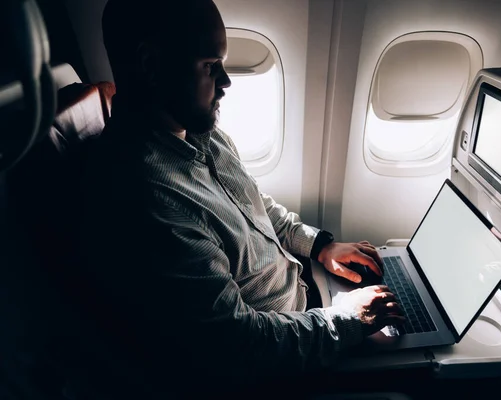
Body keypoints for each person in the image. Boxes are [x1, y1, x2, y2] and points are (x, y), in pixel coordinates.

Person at [80, 0, 404, 395]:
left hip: (309, 305)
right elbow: (239, 345)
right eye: (209, 66)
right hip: (286, 355)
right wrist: (349, 320)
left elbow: (253, 204)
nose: (226, 82)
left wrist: (320, 246)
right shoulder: (149, 199)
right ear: (150, 66)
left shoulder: (201, 131)